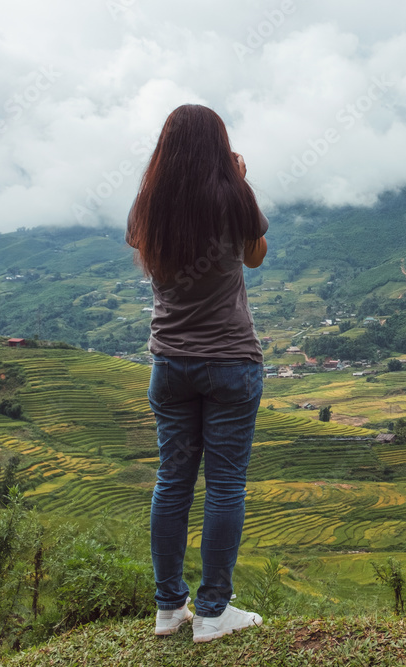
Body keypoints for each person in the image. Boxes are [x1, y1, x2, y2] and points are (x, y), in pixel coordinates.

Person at [125, 103, 269, 643]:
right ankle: (212, 612)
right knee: (226, 486)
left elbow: (145, 246)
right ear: (219, 145)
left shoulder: (148, 204)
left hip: (170, 365)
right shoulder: (234, 195)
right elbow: (255, 256)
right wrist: (240, 182)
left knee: (172, 484)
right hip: (231, 362)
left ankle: (168, 609)